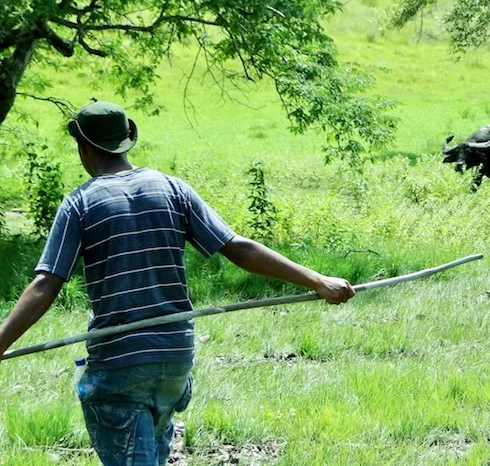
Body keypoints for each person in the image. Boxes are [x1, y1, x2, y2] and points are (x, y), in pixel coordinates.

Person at [0, 100, 355, 466]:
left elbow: (47, 284)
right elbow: (238, 248)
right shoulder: (172, 188)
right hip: (175, 357)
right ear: (127, 142)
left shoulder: (81, 204)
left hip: (122, 363)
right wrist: (318, 280)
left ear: (83, 148)